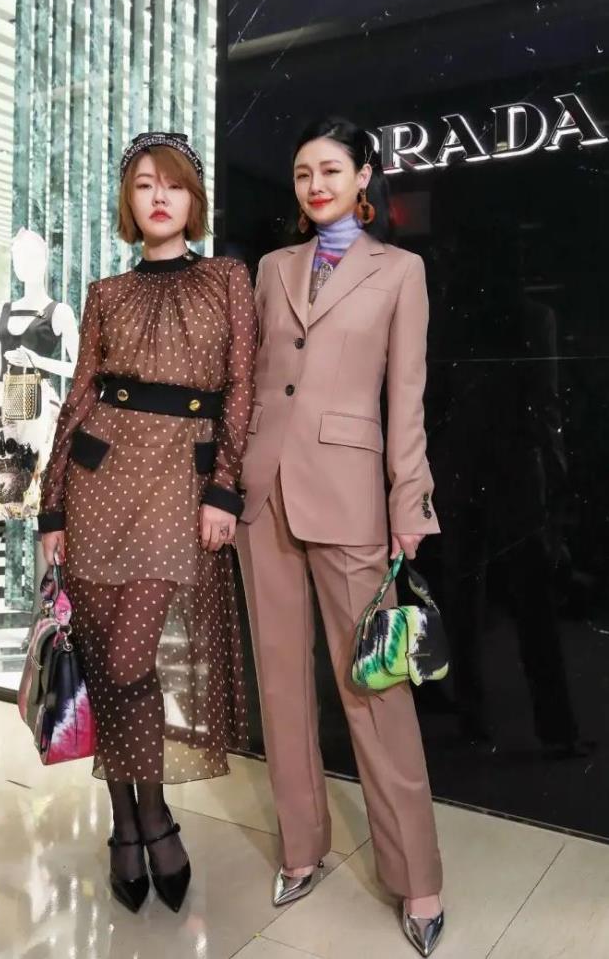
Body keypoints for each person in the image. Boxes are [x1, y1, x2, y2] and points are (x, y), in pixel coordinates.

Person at [235, 118, 444, 956]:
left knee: (375, 689)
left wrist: (409, 502)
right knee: (281, 682)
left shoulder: (400, 271)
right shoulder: (272, 268)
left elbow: (407, 398)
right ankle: (301, 847)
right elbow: (256, 381)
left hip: (353, 499)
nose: (314, 184)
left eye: (329, 169)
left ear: (364, 176)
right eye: (301, 172)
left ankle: (418, 876)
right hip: (264, 494)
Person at [38, 132, 257, 915]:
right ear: (128, 203)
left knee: (128, 659)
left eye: (173, 184)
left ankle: (151, 814)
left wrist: (223, 488)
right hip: (97, 480)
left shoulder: (227, 278)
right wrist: (52, 503)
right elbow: (79, 397)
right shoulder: (105, 292)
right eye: (142, 185)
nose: (159, 196)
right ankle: (128, 821)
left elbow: (242, 388)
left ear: (194, 199)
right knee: (105, 659)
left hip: (177, 483)